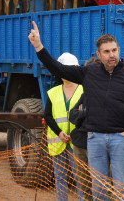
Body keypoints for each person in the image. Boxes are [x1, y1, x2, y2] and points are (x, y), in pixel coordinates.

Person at [28, 21, 124, 200]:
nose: (111, 55)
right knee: (98, 191)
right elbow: (57, 68)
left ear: (119, 50)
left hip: (121, 140)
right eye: (106, 52)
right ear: (99, 54)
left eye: (114, 50)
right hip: (95, 140)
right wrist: (38, 46)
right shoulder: (89, 72)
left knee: (122, 190)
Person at [44, 52, 83, 201]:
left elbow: (87, 116)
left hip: (77, 141)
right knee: (60, 177)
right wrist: (59, 132)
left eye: (69, 68)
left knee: (80, 178)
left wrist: (75, 133)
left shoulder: (84, 90)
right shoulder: (53, 92)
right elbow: (48, 116)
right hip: (58, 141)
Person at [69, 56, 101, 201]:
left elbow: (96, 116)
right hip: (79, 143)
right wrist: (84, 113)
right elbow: (72, 116)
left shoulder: (108, 94)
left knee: (101, 185)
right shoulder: (85, 94)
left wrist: (83, 113)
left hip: (97, 145)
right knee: (85, 185)